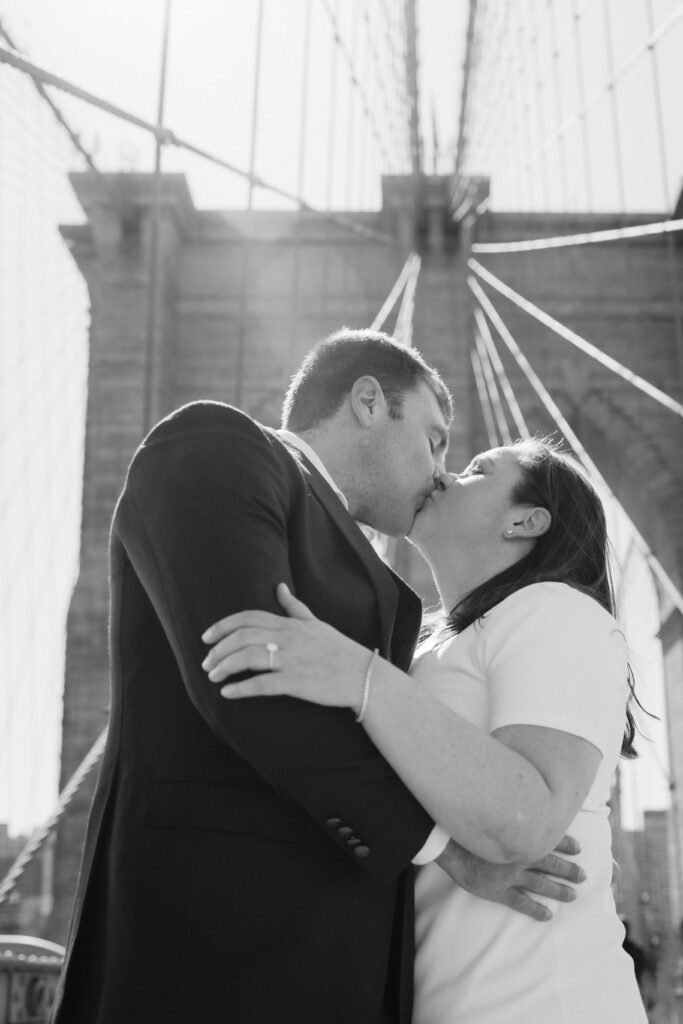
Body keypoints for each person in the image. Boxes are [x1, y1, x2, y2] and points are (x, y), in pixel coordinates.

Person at [52, 331, 582, 1024]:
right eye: (434, 438)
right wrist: (446, 849)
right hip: (210, 952)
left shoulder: (388, 586)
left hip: (337, 969)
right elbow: (244, 680)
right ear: (367, 402)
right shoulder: (218, 447)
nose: (441, 472)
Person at [202, 437, 648, 1022]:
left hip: (545, 999)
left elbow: (526, 819)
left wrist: (357, 675)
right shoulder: (429, 652)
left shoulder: (557, 611)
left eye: (477, 471)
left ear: (525, 520)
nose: (446, 472)